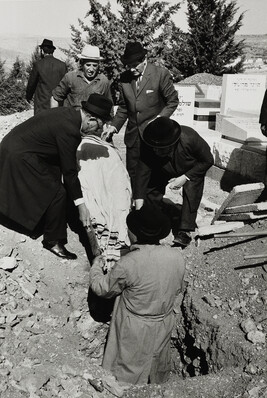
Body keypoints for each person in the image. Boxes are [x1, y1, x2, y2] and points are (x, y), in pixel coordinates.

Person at [0, 93, 113, 260]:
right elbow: (69, 172)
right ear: (90, 119)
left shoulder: (69, 115)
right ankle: (52, 240)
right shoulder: (70, 129)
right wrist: (81, 205)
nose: (98, 130)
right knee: (57, 192)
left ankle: (46, 216)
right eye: (98, 126)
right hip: (19, 156)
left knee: (53, 175)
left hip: (14, 147)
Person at [89, 205, 185, 385]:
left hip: (134, 327)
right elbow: (177, 287)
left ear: (134, 234)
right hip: (163, 323)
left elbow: (103, 289)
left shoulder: (129, 263)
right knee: (156, 365)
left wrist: (96, 267)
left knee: (127, 370)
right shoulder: (177, 257)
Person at [103, 41, 179, 187]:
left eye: (134, 65)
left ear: (144, 60)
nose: (131, 69)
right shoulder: (124, 78)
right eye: (128, 66)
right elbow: (124, 108)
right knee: (133, 174)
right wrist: (114, 126)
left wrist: (159, 120)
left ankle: (152, 207)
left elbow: (172, 101)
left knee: (154, 176)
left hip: (155, 137)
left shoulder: (160, 74)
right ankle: (135, 206)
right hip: (133, 138)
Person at [133, 117, 214, 247]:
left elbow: (208, 160)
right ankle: (152, 226)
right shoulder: (149, 143)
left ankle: (185, 230)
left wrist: (185, 177)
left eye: (162, 149)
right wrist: (139, 208)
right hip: (161, 169)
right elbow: (142, 174)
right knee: (150, 190)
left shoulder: (189, 137)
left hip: (189, 170)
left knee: (192, 188)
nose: (157, 151)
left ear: (173, 143)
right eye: (155, 148)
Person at [76, 118, 132, 271]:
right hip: (116, 209)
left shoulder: (79, 149)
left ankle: (102, 263)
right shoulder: (109, 151)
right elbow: (122, 182)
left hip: (95, 209)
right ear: (102, 130)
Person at [52, 44, 113, 110]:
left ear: (98, 65)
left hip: (92, 119)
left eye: (94, 66)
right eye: (88, 65)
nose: (91, 69)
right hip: (72, 118)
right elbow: (55, 98)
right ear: (82, 63)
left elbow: (109, 105)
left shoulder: (103, 81)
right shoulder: (70, 77)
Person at [26, 38, 67, 115]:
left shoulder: (38, 65)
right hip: (58, 104)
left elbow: (32, 83)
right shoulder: (62, 65)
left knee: (41, 125)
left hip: (41, 104)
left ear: (42, 51)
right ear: (53, 51)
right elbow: (66, 85)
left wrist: (28, 96)